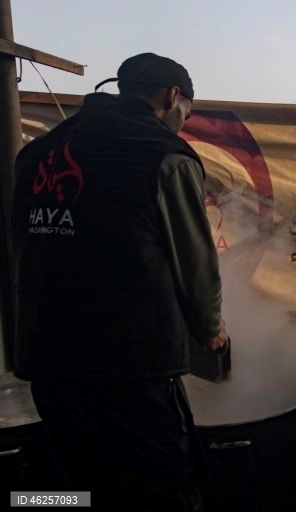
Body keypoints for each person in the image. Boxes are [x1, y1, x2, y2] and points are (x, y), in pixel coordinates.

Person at [11, 53, 228, 511]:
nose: (183, 124)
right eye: (185, 113)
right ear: (173, 97)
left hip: (46, 360)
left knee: (77, 486)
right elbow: (194, 258)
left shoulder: (39, 151)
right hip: (129, 365)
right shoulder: (163, 154)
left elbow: (18, 248)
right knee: (164, 487)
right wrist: (210, 329)